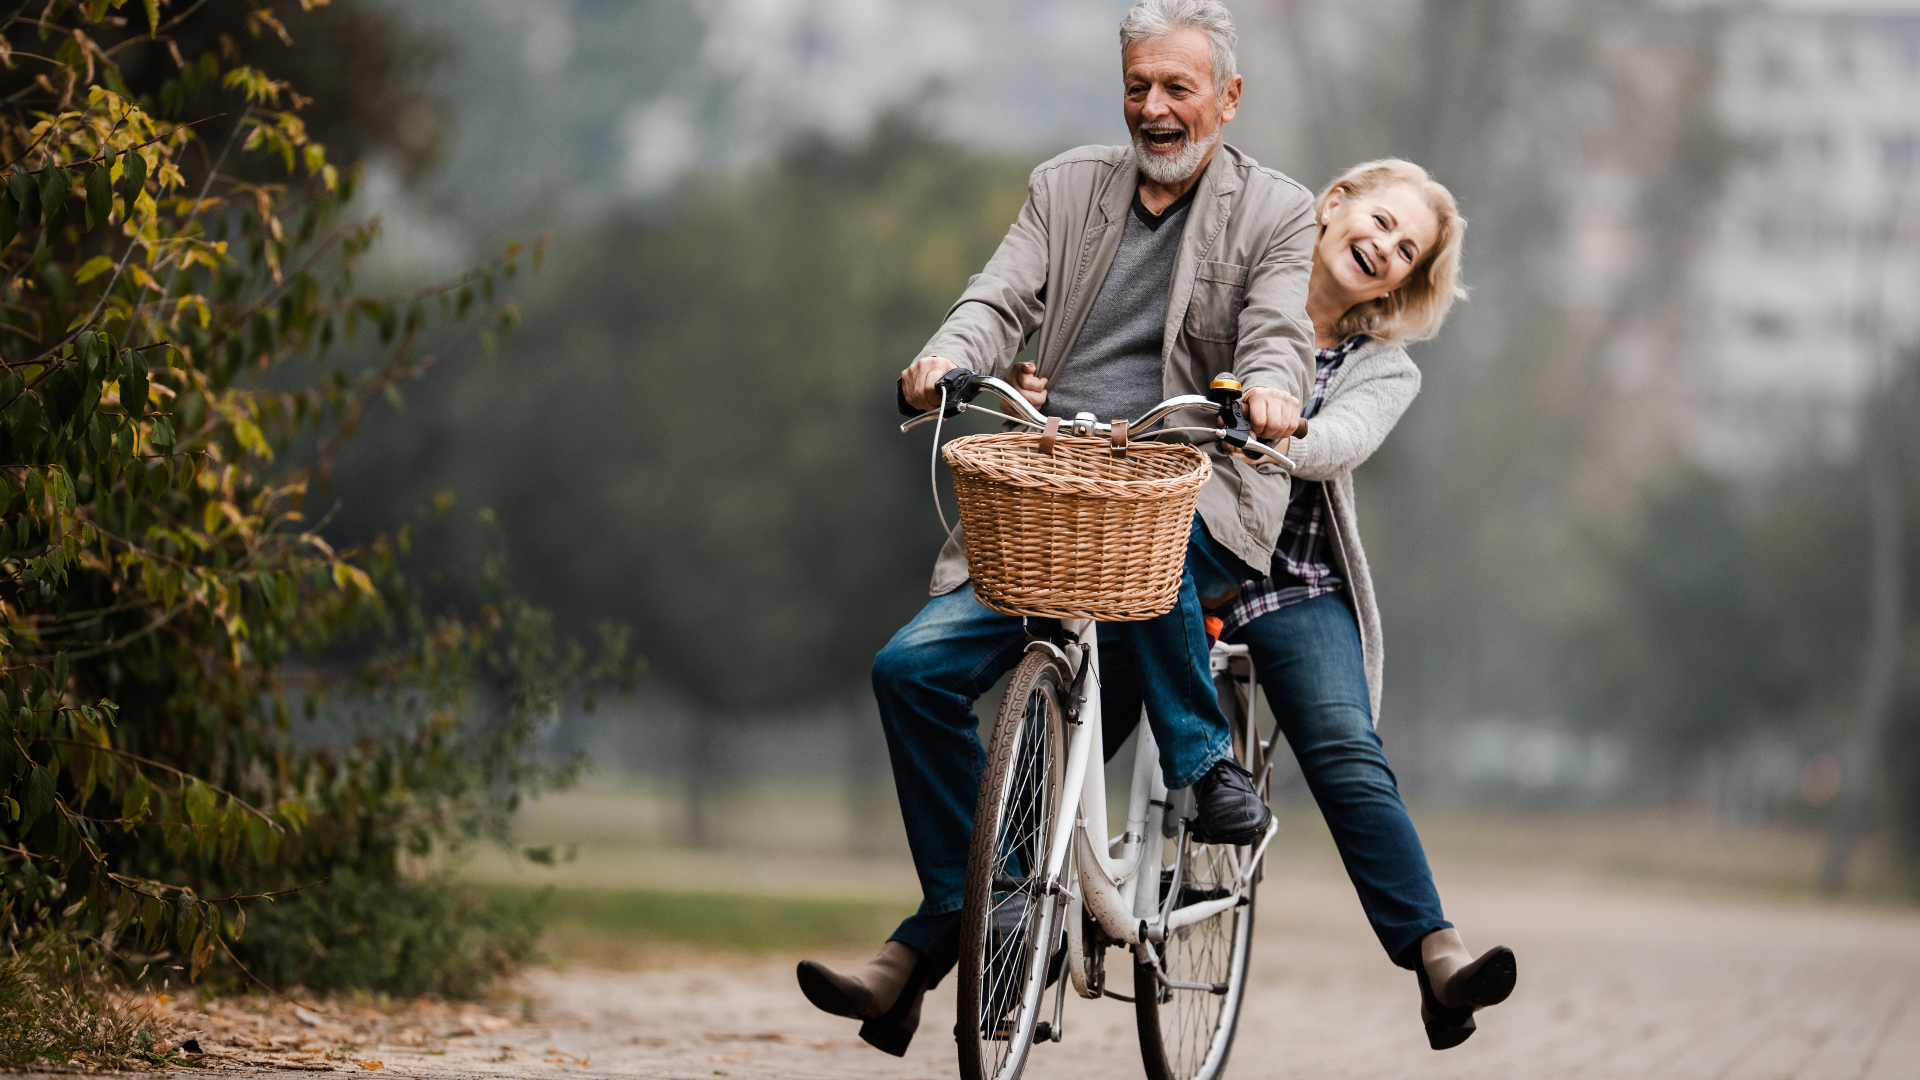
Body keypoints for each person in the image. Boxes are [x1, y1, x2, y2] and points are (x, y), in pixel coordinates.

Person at [795, 0, 1317, 1056]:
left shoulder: (1279, 211)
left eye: (1177, 87)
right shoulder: (1064, 187)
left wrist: (1265, 392)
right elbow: (998, 296)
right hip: (1058, 489)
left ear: (1228, 95)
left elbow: (1276, 334)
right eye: (1138, 87)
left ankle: (1205, 766)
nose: (1155, 109)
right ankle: (967, 905)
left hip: (1192, 483)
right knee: (911, 671)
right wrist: (945, 356)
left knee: (1158, 536)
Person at [1214, 156, 1519, 1050]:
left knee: (1347, 748)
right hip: (1178, 557)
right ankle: (941, 945)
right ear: (1334, 203)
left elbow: (1339, 441)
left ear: (1409, 278)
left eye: (1406, 248)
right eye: (1379, 221)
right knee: (1082, 702)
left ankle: (1439, 958)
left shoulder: (1383, 370)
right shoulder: (1228, 295)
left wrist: (1288, 426)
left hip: (1294, 586)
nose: (1383, 246)